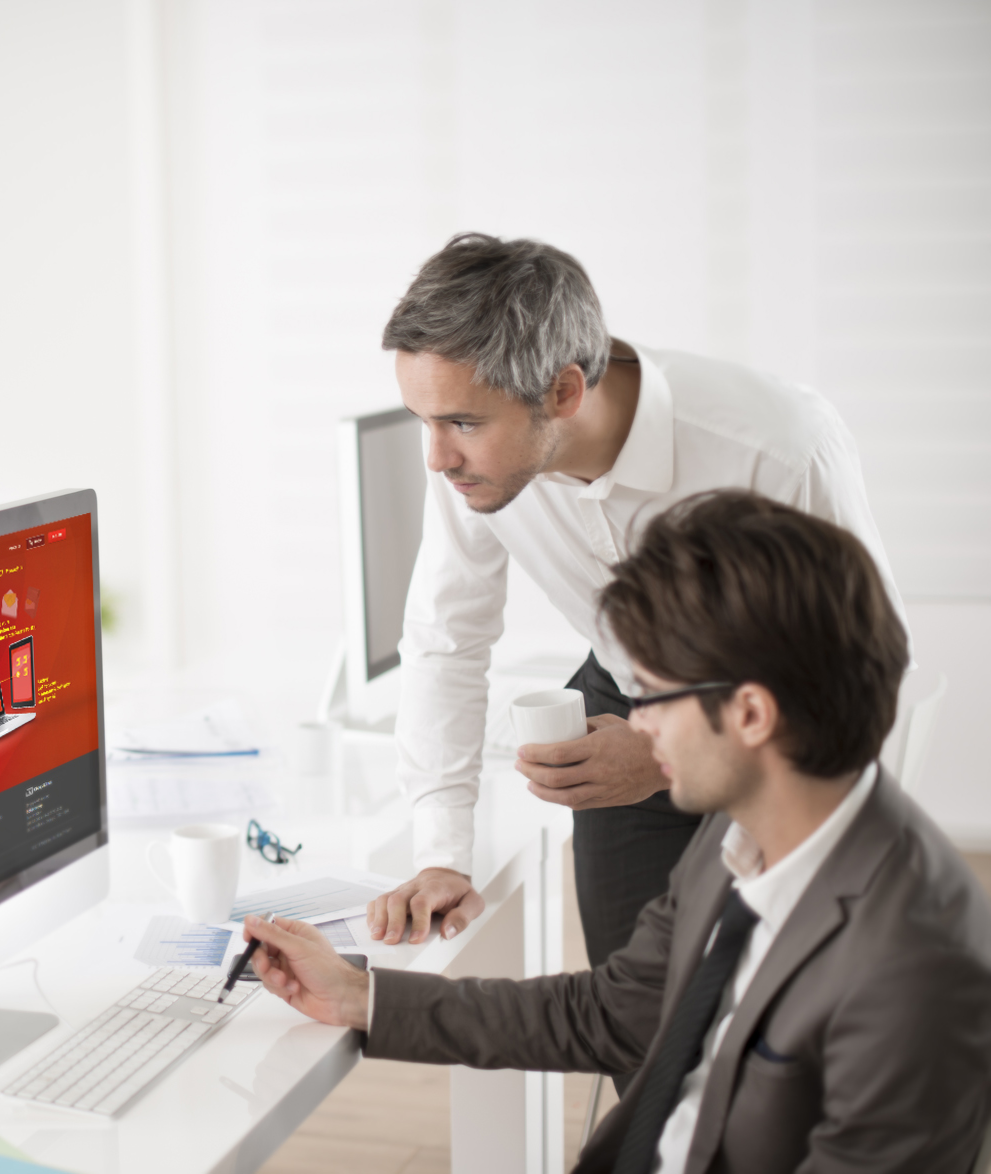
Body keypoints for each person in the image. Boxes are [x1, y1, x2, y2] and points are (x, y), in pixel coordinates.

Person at [246, 492, 991, 1172]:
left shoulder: (917, 970)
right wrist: (360, 996)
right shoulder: (738, 835)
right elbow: (611, 1013)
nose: (637, 722)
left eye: (655, 695)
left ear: (751, 714)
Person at [366, 234, 904, 985]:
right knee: (636, 1008)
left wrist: (665, 752)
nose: (436, 457)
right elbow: (446, 638)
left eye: (462, 423)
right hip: (623, 702)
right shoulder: (469, 462)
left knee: (777, 1003)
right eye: (423, 420)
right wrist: (441, 856)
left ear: (563, 392)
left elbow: (864, 665)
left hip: (785, 729)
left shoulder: (778, 449)